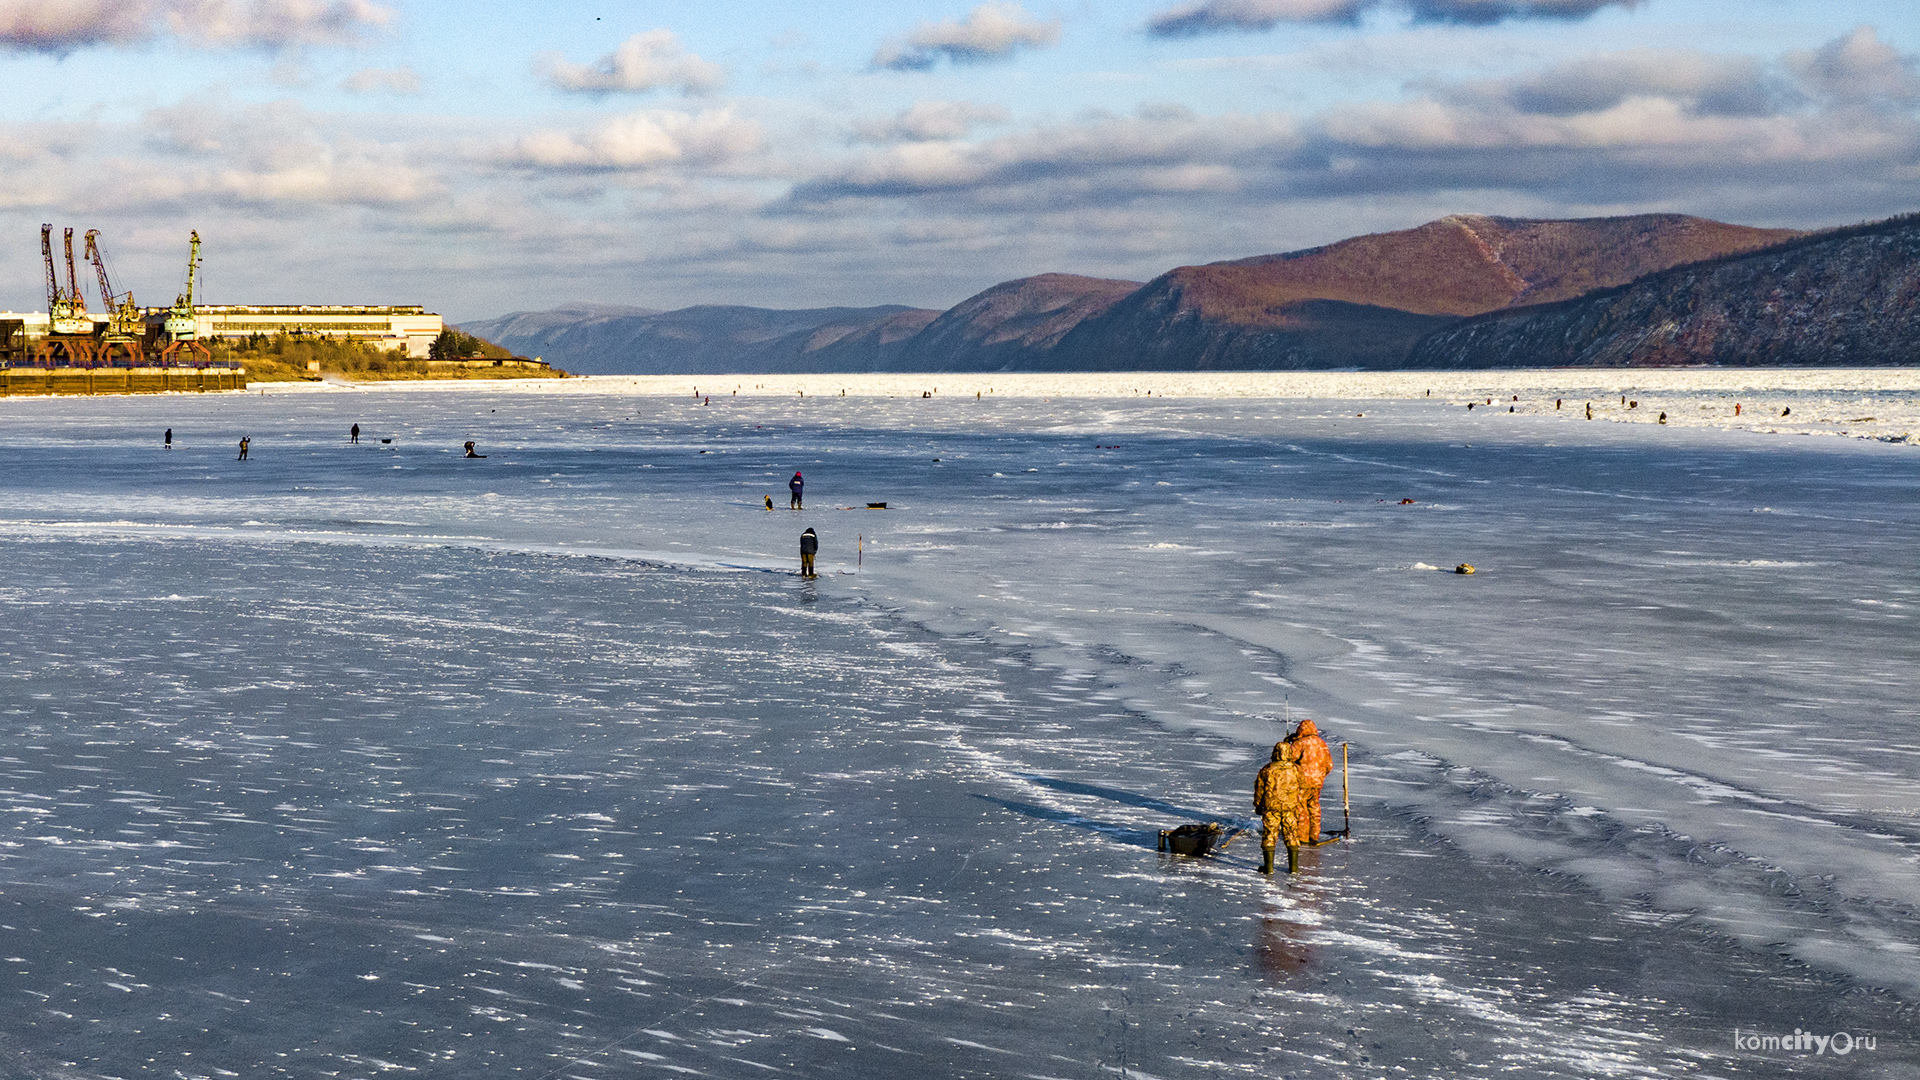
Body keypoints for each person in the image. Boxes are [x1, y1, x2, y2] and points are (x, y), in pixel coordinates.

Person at [1253, 742, 1310, 875]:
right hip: (1290, 808)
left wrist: (1257, 805)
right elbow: (1304, 786)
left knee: (1269, 835)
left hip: (1271, 808)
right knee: (1291, 834)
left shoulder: (1267, 769)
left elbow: (1259, 789)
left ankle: (1268, 868)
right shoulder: (1296, 769)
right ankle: (1293, 868)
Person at [1286, 720, 1334, 841]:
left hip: (1302, 782)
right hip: (1317, 782)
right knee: (1314, 807)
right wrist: (1320, 775)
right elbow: (1329, 765)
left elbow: (1288, 759)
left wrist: (1288, 744)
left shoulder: (1300, 743)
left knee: (1301, 808)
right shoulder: (1322, 744)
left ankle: (1302, 837)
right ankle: (1314, 835)